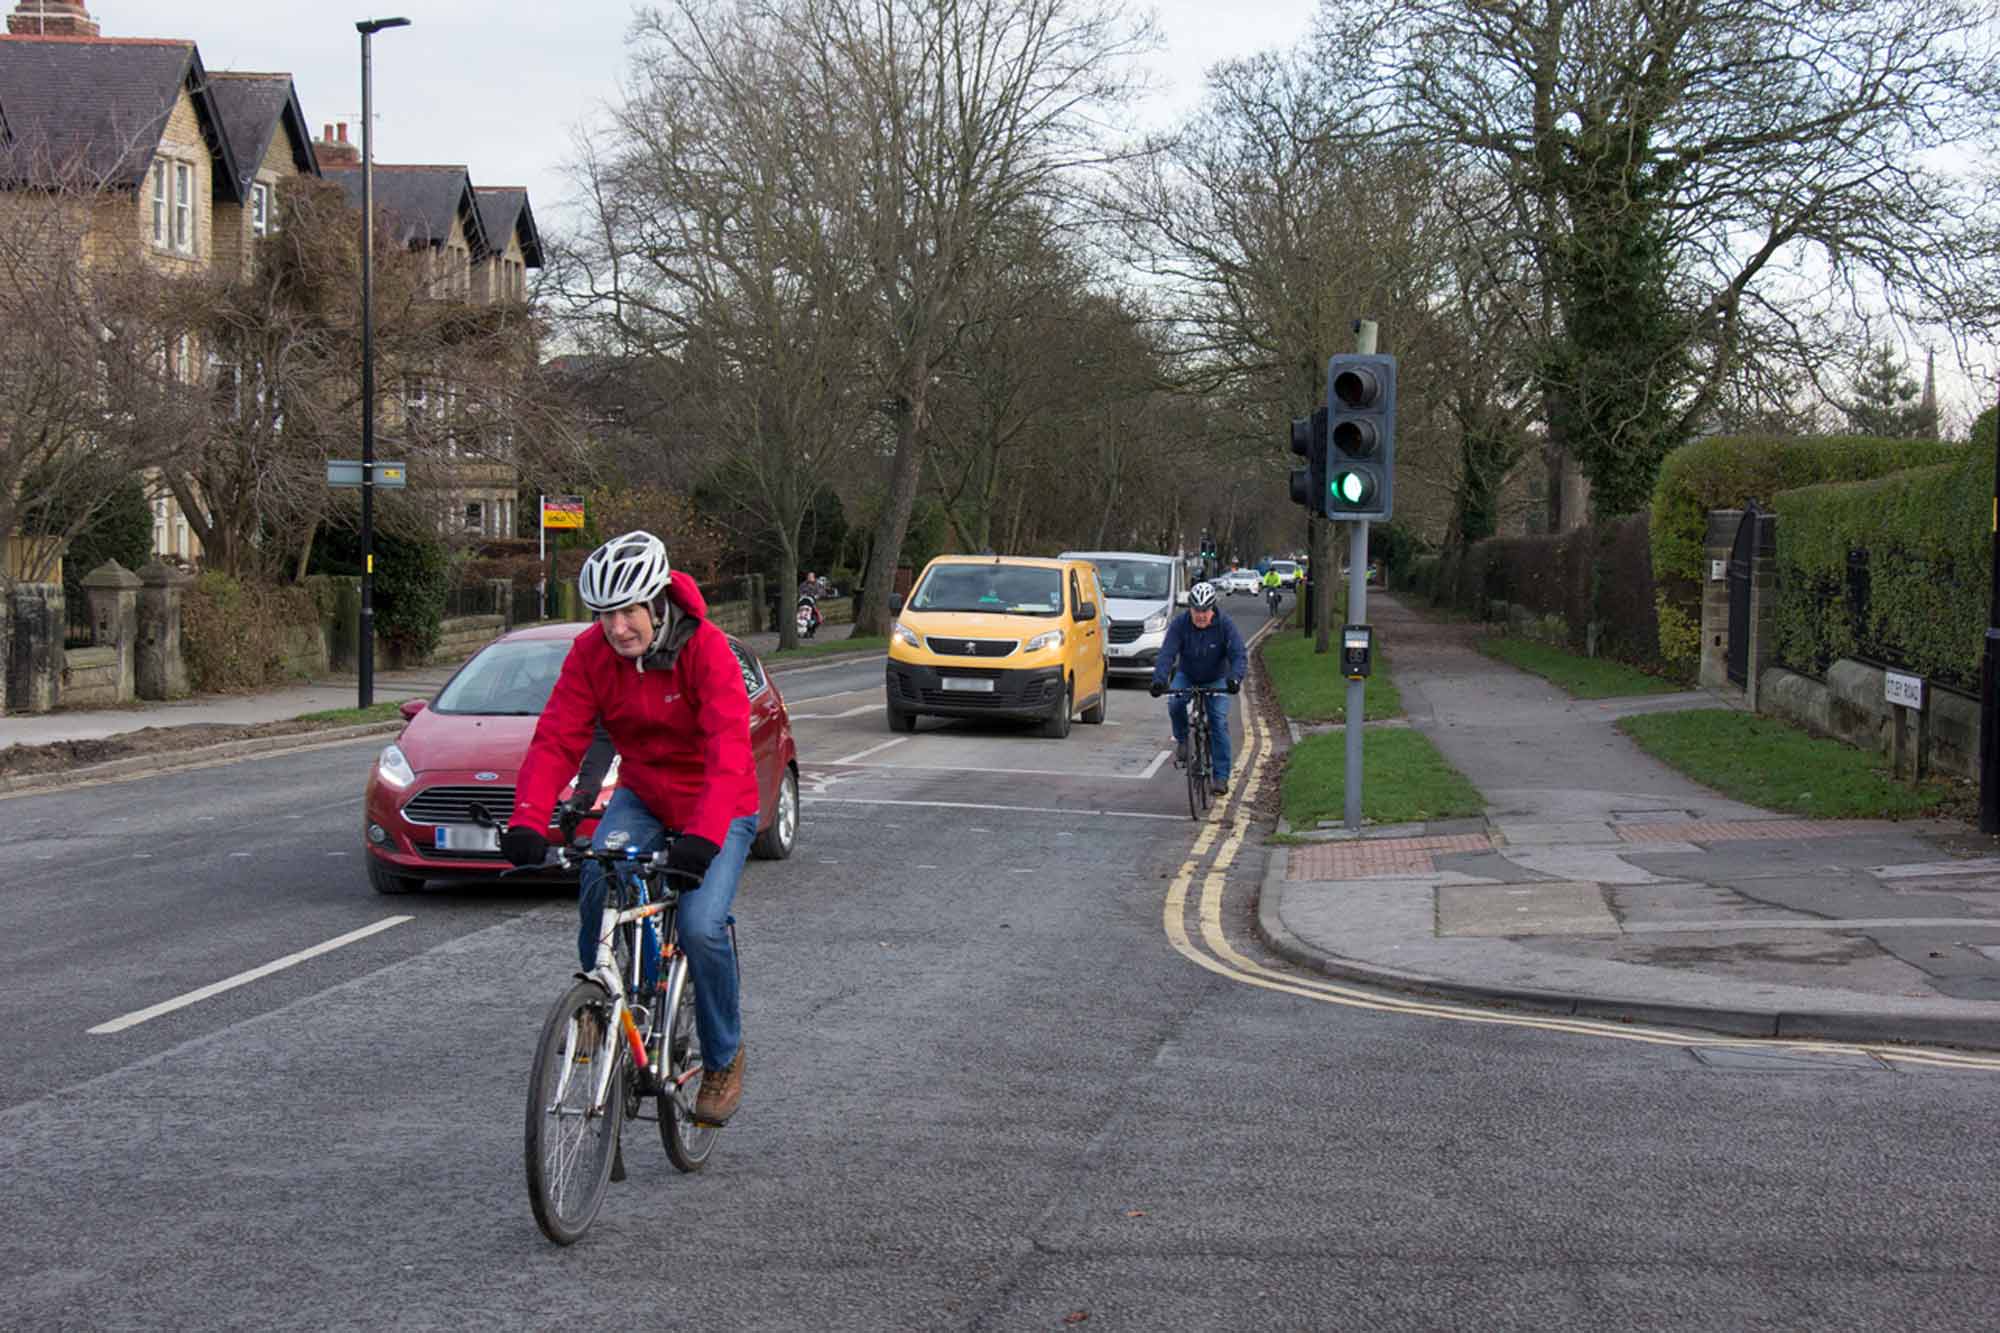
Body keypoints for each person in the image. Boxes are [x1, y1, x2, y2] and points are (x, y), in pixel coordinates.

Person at [501, 531, 760, 1127]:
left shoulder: (707, 650)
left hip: (719, 801)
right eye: (604, 615)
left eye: (628, 612)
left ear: (657, 601)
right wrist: (527, 819)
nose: (618, 629)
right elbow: (558, 737)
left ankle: (723, 1058)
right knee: (599, 871)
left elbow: (728, 752)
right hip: (645, 794)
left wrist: (702, 837)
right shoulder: (592, 654)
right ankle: (600, 999)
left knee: (700, 926)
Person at [1148, 580, 1248, 795]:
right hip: (1187, 675)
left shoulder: (1225, 625)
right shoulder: (1180, 624)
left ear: (1213, 609)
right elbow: (1167, 653)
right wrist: (1159, 680)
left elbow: (1238, 654)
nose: (1201, 615)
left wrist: (1235, 679)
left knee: (1218, 723)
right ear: (1190, 608)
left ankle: (1220, 778)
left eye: (1205, 611)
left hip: (1216, 678)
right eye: (1196, 611)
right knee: (1175, 703)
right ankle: (1183, 740)